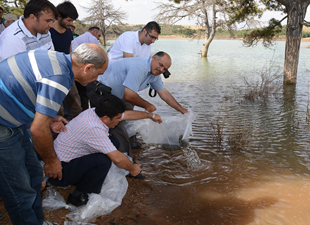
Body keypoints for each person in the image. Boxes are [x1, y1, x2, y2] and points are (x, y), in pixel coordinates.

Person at [0, 43, 108, 225]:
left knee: (34, 173)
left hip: (15, 118)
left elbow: (30, 87)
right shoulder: (59, 77)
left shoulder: (57, 59)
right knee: (18, 188)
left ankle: (37, 221)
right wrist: (52, 161)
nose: (96, 80)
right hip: (4, 124)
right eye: (97, 74)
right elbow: (38, 130)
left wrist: (50, 117)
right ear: (88, 67)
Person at [48, 94, 162, 206]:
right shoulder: (94, 128)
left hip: (65, 159)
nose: (119, 121)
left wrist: (150, 116)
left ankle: (83, 178)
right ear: (106, 118)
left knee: (114, 142)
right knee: (102, 161)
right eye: (117, 118)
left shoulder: (94, 112)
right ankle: (78, 195)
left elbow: (126, 115)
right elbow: (117, 159)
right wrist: (133, 168)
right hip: (59, 172)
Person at [97, 51, 188, 156]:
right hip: (101, 90)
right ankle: (125, 161)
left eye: (165, 69)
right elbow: (130, 95)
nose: (161, 70)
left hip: (119, 95)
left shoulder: (155, 74)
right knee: (118, 126)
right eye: (161, 65)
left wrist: (182, 110)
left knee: (131, 121)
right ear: (154, 58)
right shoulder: (140, 66)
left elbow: (165, 94)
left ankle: (131, 147)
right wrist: (147, 105)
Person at [50, 1, 81, 120]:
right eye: (68, 20)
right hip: (53, 72)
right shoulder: (49, 32)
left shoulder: (68, 32)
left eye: (72, 21)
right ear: (59, 17)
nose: (71, 24)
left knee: (74, 98)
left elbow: (69, 50)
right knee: (58, 105)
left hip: (67, 69)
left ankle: (79, 124)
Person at [72, 26, 102, 110]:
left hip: (76, 70)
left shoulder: (77, 39)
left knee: (81, 96)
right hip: (87, 70)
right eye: (99, 35)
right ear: (94, 31)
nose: (99, 38)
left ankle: (82, 113)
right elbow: (97, 56)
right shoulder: (92, 38)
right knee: (91, 94)